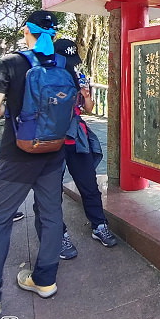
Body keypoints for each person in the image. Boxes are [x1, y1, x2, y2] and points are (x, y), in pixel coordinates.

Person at [0, 11, 78, 319]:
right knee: (50, 215)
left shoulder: (11, 62)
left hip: (16, 156)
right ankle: (44, 279)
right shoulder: (65, 64)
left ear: (27, 31)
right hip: (53, 152)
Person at [52, 38, 118, 260]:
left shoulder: (79, 77)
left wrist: (87, 96)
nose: (70, 64)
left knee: (89, 184)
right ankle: (57, 234)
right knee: (51, 191)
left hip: (77, 139)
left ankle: (99, 225)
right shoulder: (45, 76)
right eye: (66, 59)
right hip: (53, 141)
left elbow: (87, 109)